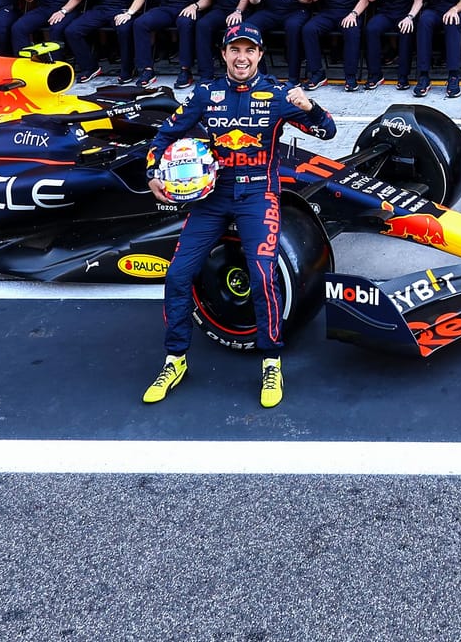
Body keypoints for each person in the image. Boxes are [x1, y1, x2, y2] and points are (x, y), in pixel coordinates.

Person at [142, 23, 335, 408]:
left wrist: (311, 107)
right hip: (212, 197)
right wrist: (152, 173)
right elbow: (163, 135)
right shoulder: (205, 94)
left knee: (263, 275)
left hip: (258, 196)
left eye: (249, 50)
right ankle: (174, 359)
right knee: (178, 274)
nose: (242, 57)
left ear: (260, 55)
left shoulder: (279, 96)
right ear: (224, 54)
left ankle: (270, 360)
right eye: (235, 50)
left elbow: (327, 132)